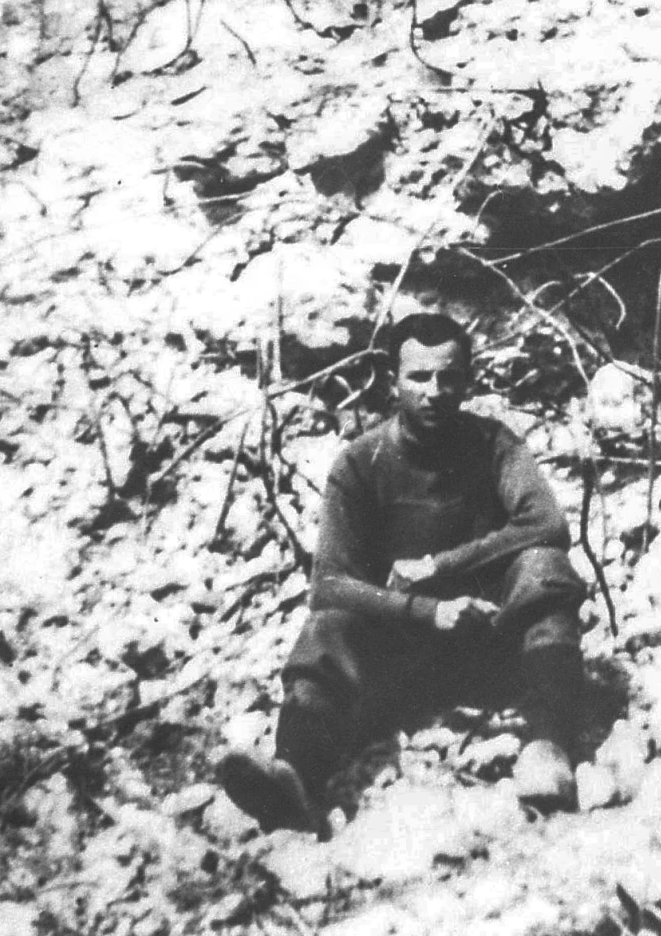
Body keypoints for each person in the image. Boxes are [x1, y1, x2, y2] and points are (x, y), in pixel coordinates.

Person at [217, 312, 586, 835]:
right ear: (393, 381)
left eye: (449, 377)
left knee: (545, 566)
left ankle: (550, 743)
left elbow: (546, 522)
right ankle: (294, 773)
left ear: (467, 381)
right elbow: (329, 583)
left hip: (491, 648)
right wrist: (428, 611)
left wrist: (438, 567)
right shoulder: (360, 463)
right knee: (329, 624)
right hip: (398, 664)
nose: (434, 392)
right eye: (418, 377)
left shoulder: (494, 443)